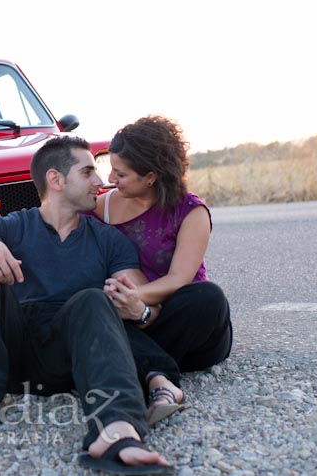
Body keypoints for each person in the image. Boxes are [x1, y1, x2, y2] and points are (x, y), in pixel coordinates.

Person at [0, 136, 174, 475]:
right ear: (56, 180)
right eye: (88, 172)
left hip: (68, 356)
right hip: (11, 353)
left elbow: (144, 298)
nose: (99, 182)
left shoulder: (107, 239)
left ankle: (115, 428)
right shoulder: (14, 225)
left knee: (92, 298)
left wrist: (138, 308)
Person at [98, 115, 233, 425]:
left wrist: (129, 300)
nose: (110, 179)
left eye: (120, 173)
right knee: (90, 311)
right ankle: (160, 381)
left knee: (209, 297)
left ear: (150, 176)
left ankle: (132, 366)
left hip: (185, 323)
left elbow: (180, 279)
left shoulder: (190, 211)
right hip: (134, 321)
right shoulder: (102, 206)